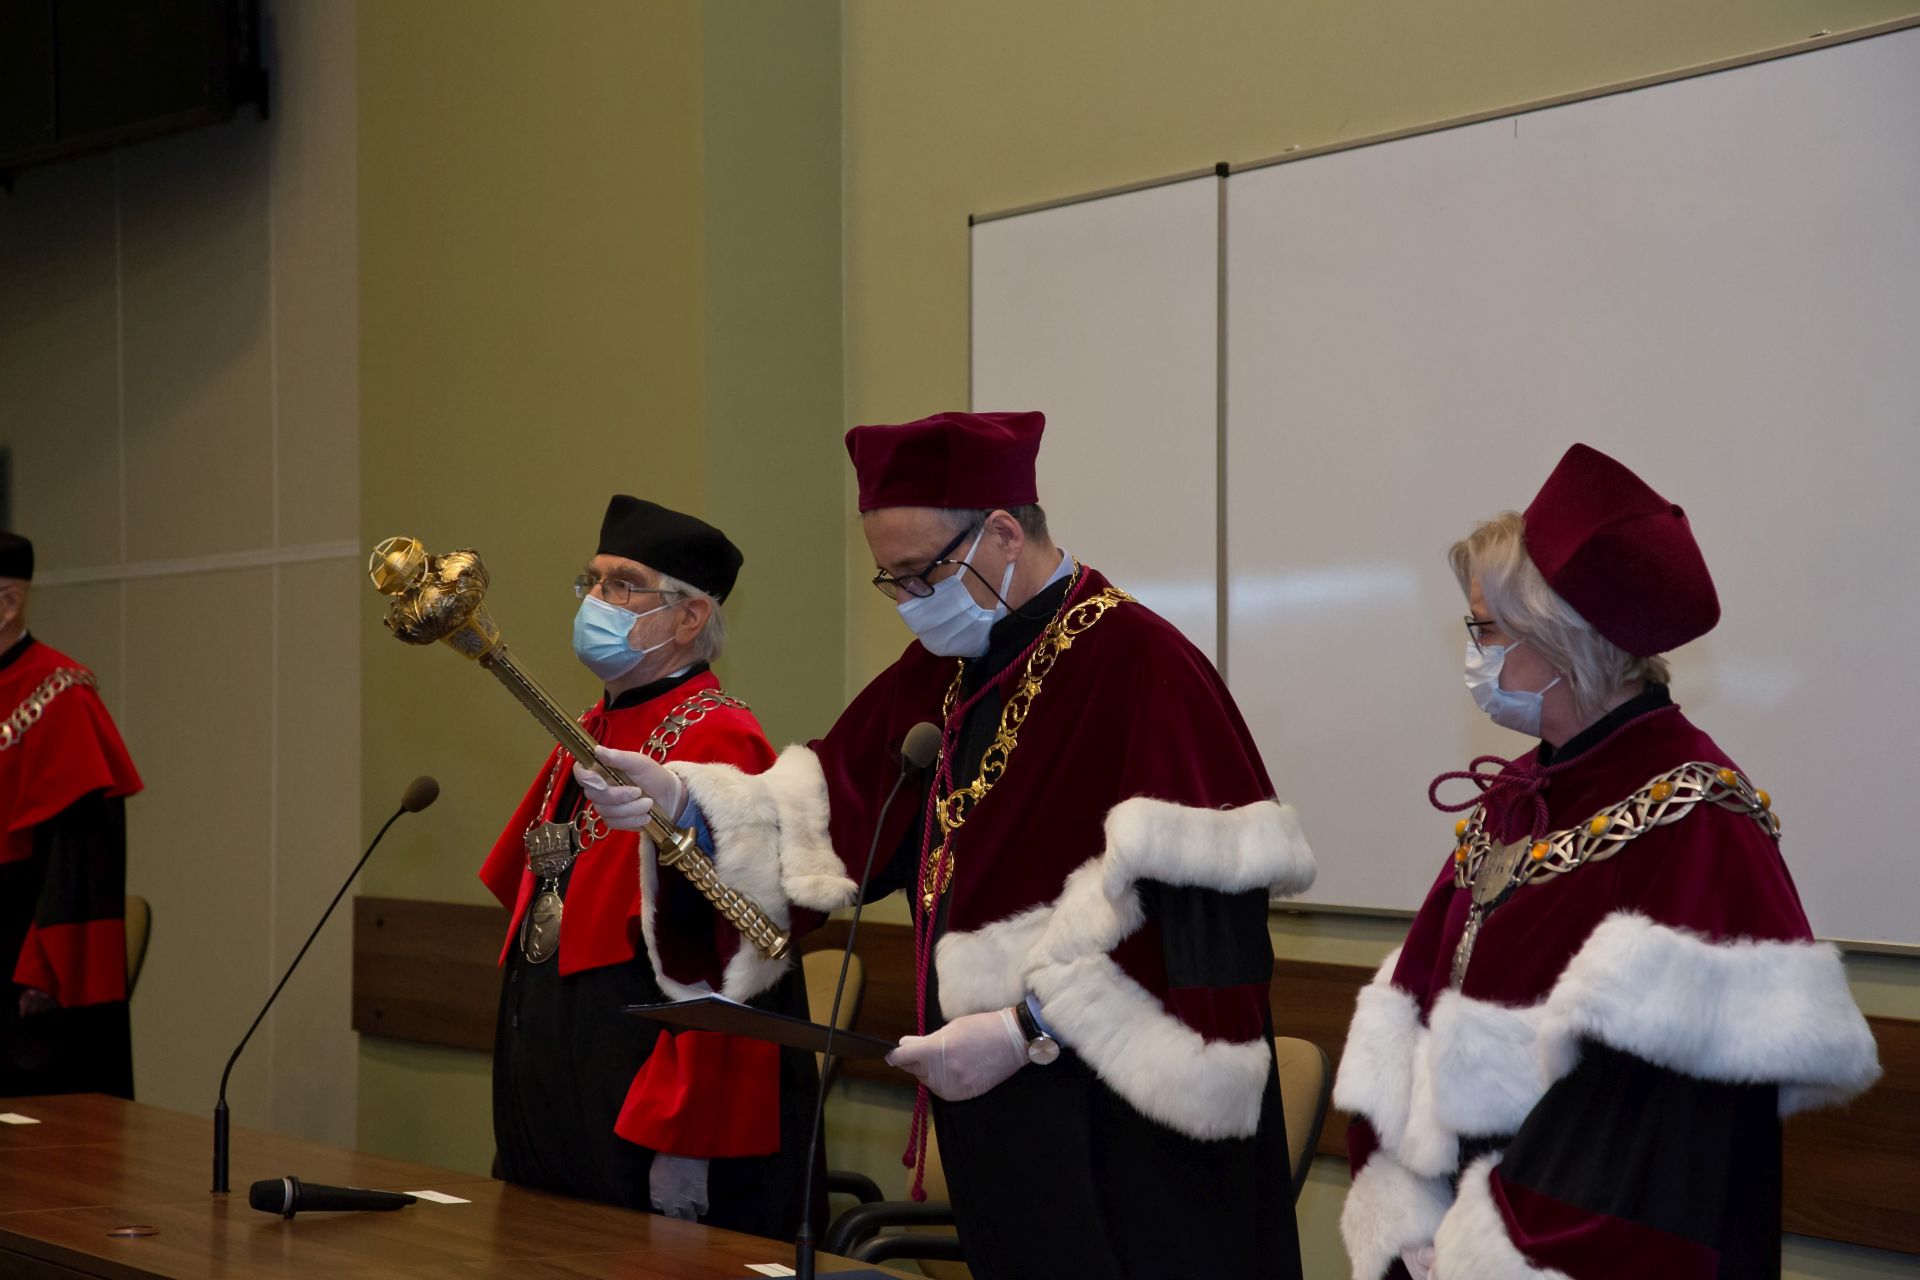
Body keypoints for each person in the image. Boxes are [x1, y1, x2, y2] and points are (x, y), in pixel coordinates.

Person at [579, 412, 1317, 1279]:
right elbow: (831, 814)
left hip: (1132, 1131)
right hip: (1000, 1114)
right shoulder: (944, 670)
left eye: (921, 572)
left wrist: (1025, 1027)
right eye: (889, 579)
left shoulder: (1142, 662)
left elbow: (1206, 924)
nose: (908, 600)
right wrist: (681, 800)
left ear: (1002, 533)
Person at [1333, 444, 1881, 1280]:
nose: (1475, 653)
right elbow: (1418, 993)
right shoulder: (1524, 790)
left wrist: (1480, 1245)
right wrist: (1407, 1203)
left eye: (1488, 630)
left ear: (1562, 639)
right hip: (1446, 1229)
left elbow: (1655, 1135)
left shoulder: (1694, 813)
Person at [480, 497, 818, 1237]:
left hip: (642, 1098)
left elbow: (732, 965)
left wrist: (686, 1132)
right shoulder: (590, 729)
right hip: (558, 1078)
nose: (597, 600)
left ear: (690, 617)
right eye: (593, 581)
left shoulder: (721, 739)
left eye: (624, 584)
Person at [0, 532, 142, 1100]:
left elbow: (83, 860)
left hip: (22, 956)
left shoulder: (61, 695)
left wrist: (42, 968)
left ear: (9, 604)